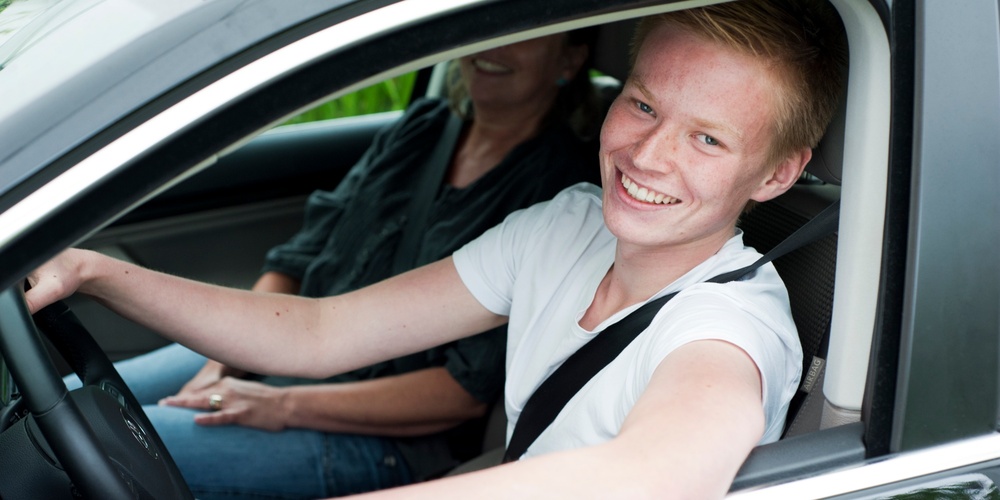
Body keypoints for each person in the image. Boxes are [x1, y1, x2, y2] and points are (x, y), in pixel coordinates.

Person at [30, 0, 846, 497]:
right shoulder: (564, 225)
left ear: (777, 173)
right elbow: (317, 334)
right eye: (642, 105)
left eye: (707, 138)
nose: (650, 156)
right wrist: (99, 273)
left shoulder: (731, 330)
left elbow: (649, 477)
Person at [61, 30, 600, 499]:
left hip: (386, 436)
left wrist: (280, 403)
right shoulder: (424, 127)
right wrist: (221, 361)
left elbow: (461, 394)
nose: (496, 47)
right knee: (64, 404)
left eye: (521, 33)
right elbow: (302, 255)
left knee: (84, 452)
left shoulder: (552, 196)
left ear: (570, 61)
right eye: (490, 29)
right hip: (290, 344)